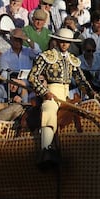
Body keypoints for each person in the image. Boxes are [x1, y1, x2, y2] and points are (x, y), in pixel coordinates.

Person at [28, 28, 96, 170]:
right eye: (62, 41)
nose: (64, 44)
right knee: (49, 109)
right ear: (57, 41)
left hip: (67, 95)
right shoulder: (46, 56)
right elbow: (32, 77)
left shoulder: (72, 59)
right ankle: (45, 149)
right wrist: (44, 92)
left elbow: (81, 81)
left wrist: (92, 94)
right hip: (52, 93)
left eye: (67, 42)